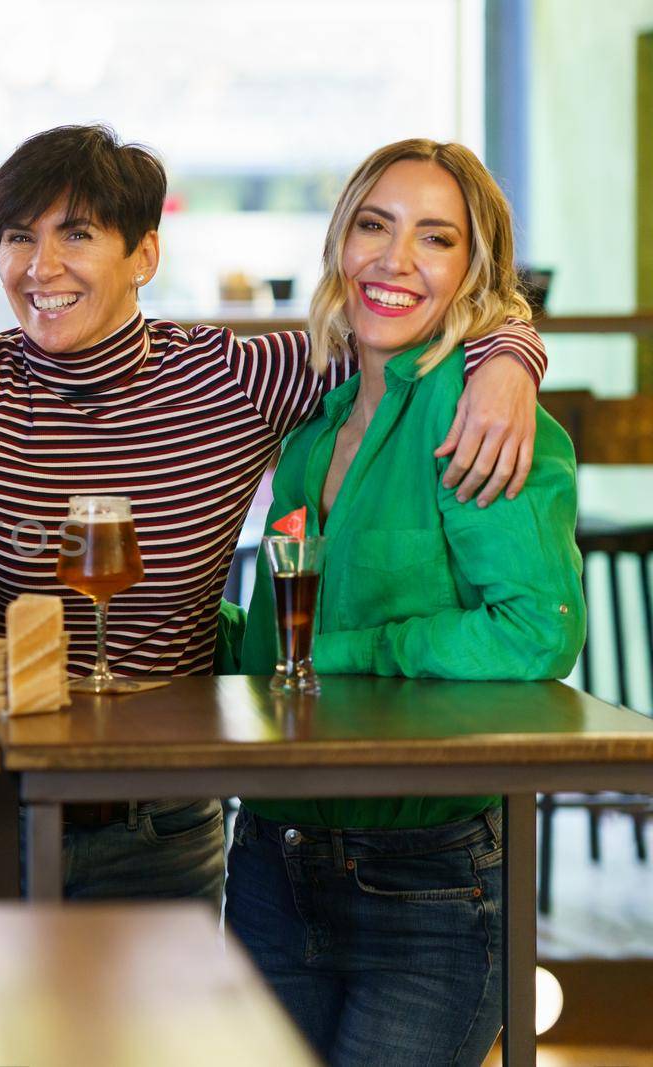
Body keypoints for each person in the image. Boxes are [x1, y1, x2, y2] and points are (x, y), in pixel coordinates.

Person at [0, 125, 552, 906]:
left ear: (144, 256)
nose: (40, 268)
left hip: (164, 823)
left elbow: (409, 314)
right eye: (18, 239)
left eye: (76, 235)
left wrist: (513, 356)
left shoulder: (237, 378)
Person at [223, 139, 585, 1066]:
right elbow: (274, 651)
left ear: (476, 270)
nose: (394, 260)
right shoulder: (310, 433)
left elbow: (536, 631)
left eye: (436, 238)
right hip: (271, 860)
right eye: (374, 226)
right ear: (341, 243)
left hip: (430, 881)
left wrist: (357, 650)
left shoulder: (482, 415)